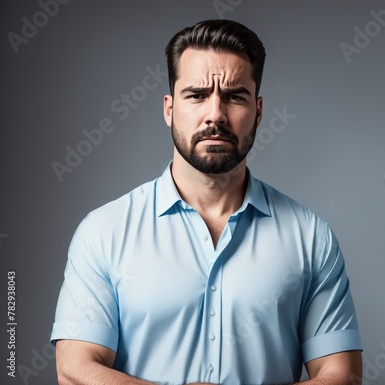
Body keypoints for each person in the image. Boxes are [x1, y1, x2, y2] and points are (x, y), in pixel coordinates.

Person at [50, 19, 363, 385]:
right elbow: (74, 370)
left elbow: (342, 376)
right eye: (197, 95)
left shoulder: (310, 237)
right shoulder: (103, 232)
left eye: (234, 96)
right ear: (169, 109)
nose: (215, 114)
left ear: (258, 112)